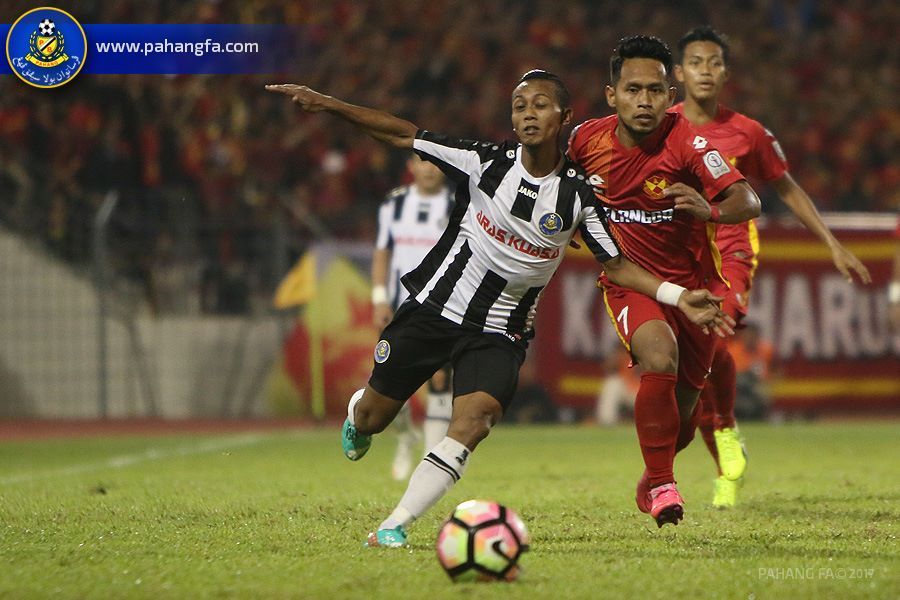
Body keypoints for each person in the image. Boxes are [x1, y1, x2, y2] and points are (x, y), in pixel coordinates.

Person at [267, 69, 732, 546]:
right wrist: (328, 102)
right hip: (433, 310)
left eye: (540, 104)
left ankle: (394, 525)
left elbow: (616, 266)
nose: (529, 113)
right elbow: (403, 132)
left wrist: (679, 296)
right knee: (373, 418)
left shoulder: (578, 195)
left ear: (564, 117)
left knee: (475, 421)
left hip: (499, 332)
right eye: (519, 105)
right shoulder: (482, 162)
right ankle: (357, 414)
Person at [672, 25, 872, 507]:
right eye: (696, 62)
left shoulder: (749, 131)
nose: (705, 70)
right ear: (679, 73)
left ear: (725, 73)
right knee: (688, 368)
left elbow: (786, 188)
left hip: (733, 249)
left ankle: (725, 429)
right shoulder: (662, 125)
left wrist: (832, 244)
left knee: (713, 334)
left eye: (714, 62)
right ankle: (726, 456)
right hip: (679, 256)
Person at [567, 35, 761, 527]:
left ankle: (655, 476)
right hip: (631, 282)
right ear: (611, 94)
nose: (645, 101)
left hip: (693, 291)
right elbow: (551, 183)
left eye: (655, 90)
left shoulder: (692, 144)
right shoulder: (585, 141)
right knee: (658, 355)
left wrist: (711, 209)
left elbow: (749, 201)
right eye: (633, 90)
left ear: (671, 95)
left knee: (682, 424)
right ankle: (665, 488)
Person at [373, 155, 454, 480]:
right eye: (423, 161)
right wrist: (379, 298)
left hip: (442, 307)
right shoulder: (394, 205)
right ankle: (406, 436)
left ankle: (430, 464)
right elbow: (382, 252)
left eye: (435, 162)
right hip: (399, 306)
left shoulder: (457, 204)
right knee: (390, 383)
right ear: (411, 165)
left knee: (439, 380)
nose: (429, 168)